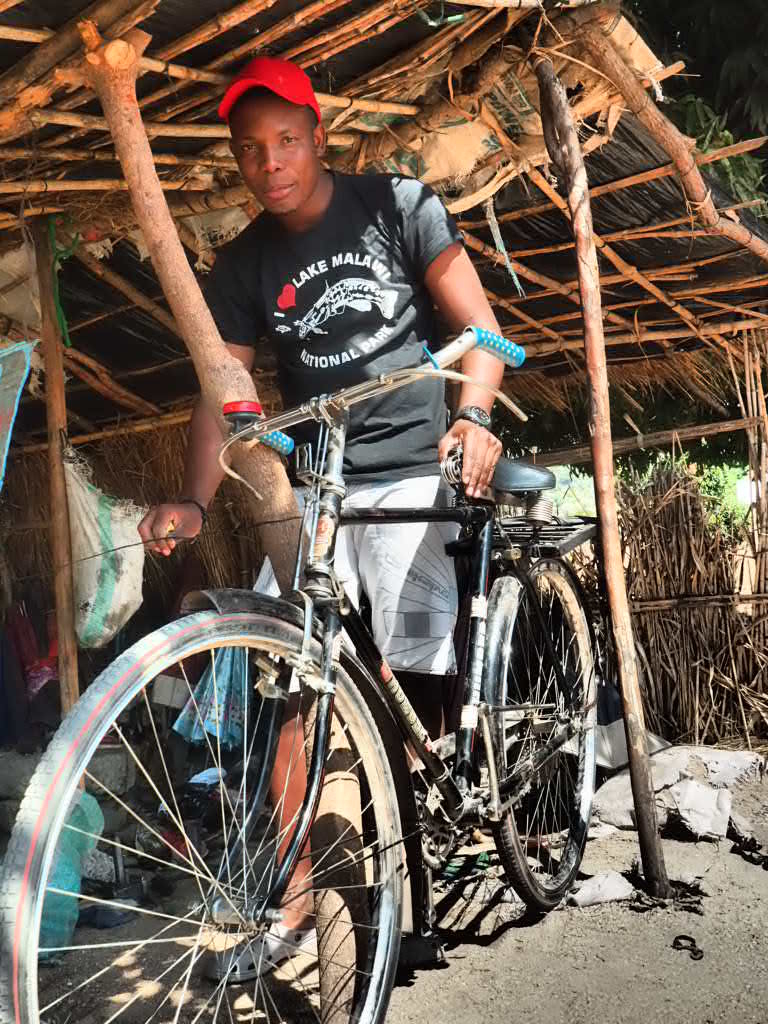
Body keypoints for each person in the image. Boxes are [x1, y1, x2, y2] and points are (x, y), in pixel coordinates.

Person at [138, 56, 506, 975]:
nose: (271, 163)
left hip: (412, 469)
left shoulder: (398, 205)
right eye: (251, 150)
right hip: (320, 491)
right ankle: (294, 901)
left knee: (419, 659)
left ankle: (434, 814)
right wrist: (192, 497)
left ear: (319, 134)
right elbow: (220, 394)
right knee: (282, 683)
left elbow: (484, 328)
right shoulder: (245, 262)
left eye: (287, 141)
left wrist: (475, 415)